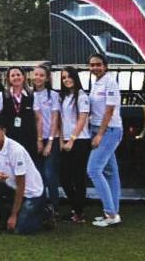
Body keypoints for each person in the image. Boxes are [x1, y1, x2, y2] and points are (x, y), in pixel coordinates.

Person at [0, 115, 47, 235]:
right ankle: (4, 216)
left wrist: (14, 215)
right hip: (11, 187)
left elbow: (21, 185)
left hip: (30, 192)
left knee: (20, 230)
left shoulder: (16, 150)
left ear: (3, 131)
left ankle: (45, 213)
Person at [87, 54, 123, 227]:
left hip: (109, 130)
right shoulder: (96, 83)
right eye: (92, 65)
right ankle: (114, 213)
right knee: (110, 172)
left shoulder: (110, 82)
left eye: (98, 65)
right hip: (97, 128)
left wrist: (100, 134)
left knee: (93, 169)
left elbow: (109, 110)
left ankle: (110, 213)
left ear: (105, 66)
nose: (95, 68)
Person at [58, 66, 91, 223]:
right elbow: (61, 121)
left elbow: (82, 119)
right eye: (64, 77)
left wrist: (71, 140)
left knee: (78, 178)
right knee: (64, 177)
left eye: (69, 76)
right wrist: (61, 140)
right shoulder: (63, 96)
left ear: (75, 78)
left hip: (80, 141)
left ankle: (79, 213)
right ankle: (75, 208)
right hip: (65, 141)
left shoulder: (82, 96)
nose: (66, 80)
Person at [32, 64, 61, 214]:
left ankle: (55, 206)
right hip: (36, 140)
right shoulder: (29, 94)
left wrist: (49, 142)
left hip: (51, 139)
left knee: (50, 173)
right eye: (36, 74)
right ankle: (42, 207)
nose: (38, 78)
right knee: (39, 175)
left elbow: (55, 119)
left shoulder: (54, 95)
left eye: (41, 75)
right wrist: (38, 140)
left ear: (47, 78)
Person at [0, 66, 38, 163]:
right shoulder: (2, 96)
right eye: (13, 75)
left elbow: (38, 119)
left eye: (18, 75)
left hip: (29, 139)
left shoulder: (32, 95)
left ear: (23, 77)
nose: (16, 77)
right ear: (8, 79)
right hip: (10, 138)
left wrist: (39, 139)